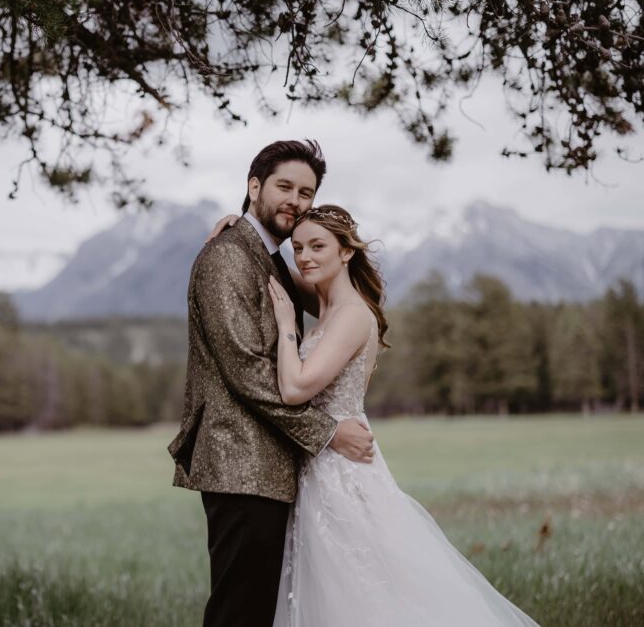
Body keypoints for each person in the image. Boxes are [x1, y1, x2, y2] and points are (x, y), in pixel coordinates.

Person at [222, 204, 540, 626]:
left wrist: (285, 327)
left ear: (346, 252)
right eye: (298, 248)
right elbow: (275, 269)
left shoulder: (352, 315)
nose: (305, 257)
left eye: (318, 246)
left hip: (341, 471)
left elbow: (295, 388)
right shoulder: (329, 306)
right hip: (320, 462)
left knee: (357, 588)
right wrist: (241, 233)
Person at [167, 140, 376, 627]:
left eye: (306, 192)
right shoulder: (228, 258)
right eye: (285, 186)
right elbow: (247, 373)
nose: (296, 201)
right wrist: (327, 431)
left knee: (258, 609)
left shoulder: (271, 257)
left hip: (267, 467)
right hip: (240, 463)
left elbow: (334, 290)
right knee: (239, 612)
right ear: (253, 186)